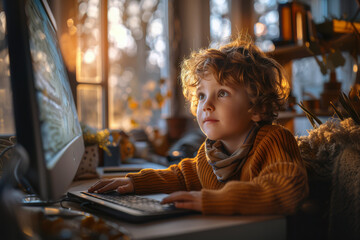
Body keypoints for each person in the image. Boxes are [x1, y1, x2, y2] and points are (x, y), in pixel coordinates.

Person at [88, 36, 309, 215]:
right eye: (202, 95)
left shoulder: (274, 139)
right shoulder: (211, 152)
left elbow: (286, 190)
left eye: (222, 93)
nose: (207, 105)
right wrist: (134, 182)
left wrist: (212, 200)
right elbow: (182, 176)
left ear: (258, 108)